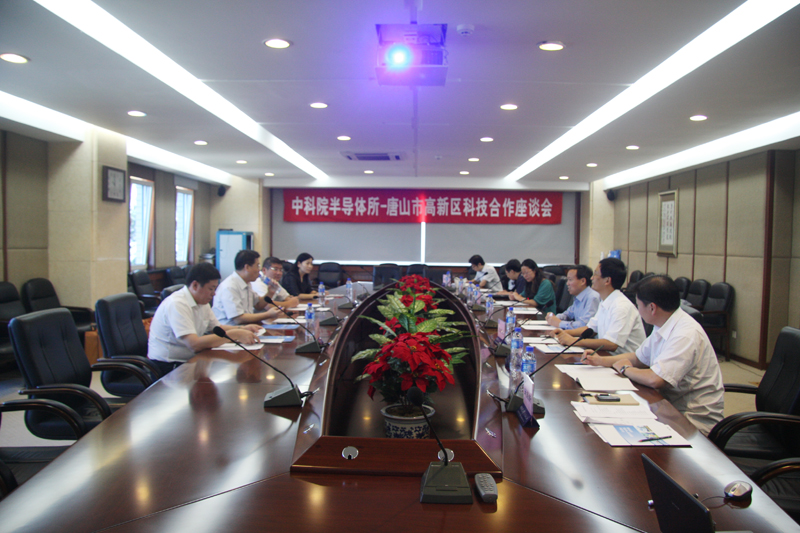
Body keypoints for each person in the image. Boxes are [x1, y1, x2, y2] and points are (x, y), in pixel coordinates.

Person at [582, 275, 724, 435]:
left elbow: (655, 379)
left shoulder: (685, 334)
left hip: (691, 418)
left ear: (652, 308)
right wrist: (601, 360)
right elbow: (639, 358)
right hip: (668, 406)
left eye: (638, 305)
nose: (637, 310)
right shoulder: (664, 323)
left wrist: (625, 369)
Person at [148, 263, 260, 375]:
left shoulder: (202, 301)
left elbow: (217, 328)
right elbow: (194, 344)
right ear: (195, 285)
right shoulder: (177, 304)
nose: (214, 294)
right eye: (211, 289)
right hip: (168, 366)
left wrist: (242, 329)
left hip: (191, 360)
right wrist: (235, 334)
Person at [550, 257, 645, 354]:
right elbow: (591, 329)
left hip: (621, 361)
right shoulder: (605, 301)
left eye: (595, 274)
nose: (591, 278)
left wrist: (574, 341)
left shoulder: (621, 306)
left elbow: (611, 344)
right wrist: (564, 333)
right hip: (605, 356)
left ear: (607, 280)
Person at [213, 250, 286, 325]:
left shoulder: (247, 283)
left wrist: (270, 293)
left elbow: (258, 305)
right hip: (232, 330)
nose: (259, 270)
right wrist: (268, 314)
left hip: (248, 327)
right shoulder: (230, 287)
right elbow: (239, 318)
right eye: (257, 266)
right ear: (247, 267)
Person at [545, 264, 601, 329]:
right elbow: (567, 315)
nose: (567, 283)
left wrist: (559, 323)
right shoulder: (579, 296)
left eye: (570, 280)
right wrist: (553, 318)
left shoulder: (592, 297)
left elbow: (585, 325)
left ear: (582, 281)